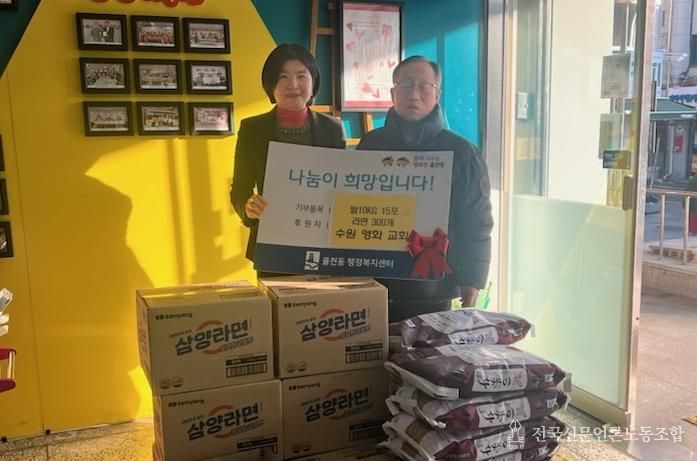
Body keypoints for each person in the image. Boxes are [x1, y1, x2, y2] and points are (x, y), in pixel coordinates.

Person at [357, 55, 493, 322]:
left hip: (434, 288)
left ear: (437, 93)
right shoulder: (370, 146)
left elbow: (476, 221)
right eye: (406, 85)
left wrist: (472, 279)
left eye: (423, 86)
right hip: (375, 282)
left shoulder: (462, 152)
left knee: (429, 349)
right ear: (393, 93)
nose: (414, 95)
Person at [230, 44, 346, 272]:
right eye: (283, 77)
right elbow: (240, 189)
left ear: (313, 82)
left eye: (301, 76)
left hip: (322, 241)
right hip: (273, 243)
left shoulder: (333, 129)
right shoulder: (253, 129)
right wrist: (248, 207)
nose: (293, 84)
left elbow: (342, 186)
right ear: (271, 85)